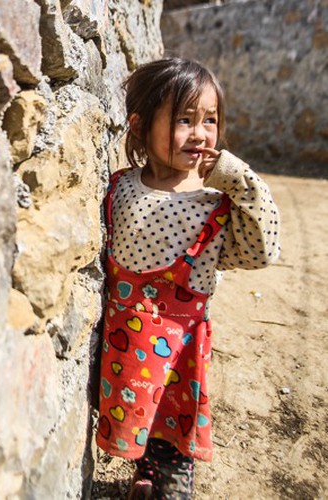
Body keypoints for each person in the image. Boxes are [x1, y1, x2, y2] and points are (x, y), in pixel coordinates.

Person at [96, 58, 280, 499]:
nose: (200, 133)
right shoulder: (120, 187)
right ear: (139, 126)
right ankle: (145, 477)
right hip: (124, 349)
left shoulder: (213, 204)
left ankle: (167, 488)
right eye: (184, 119)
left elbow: (262, 250)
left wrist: (240, 181)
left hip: (177, 356)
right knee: (140, 422)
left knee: (173, 442)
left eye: (210, 120)